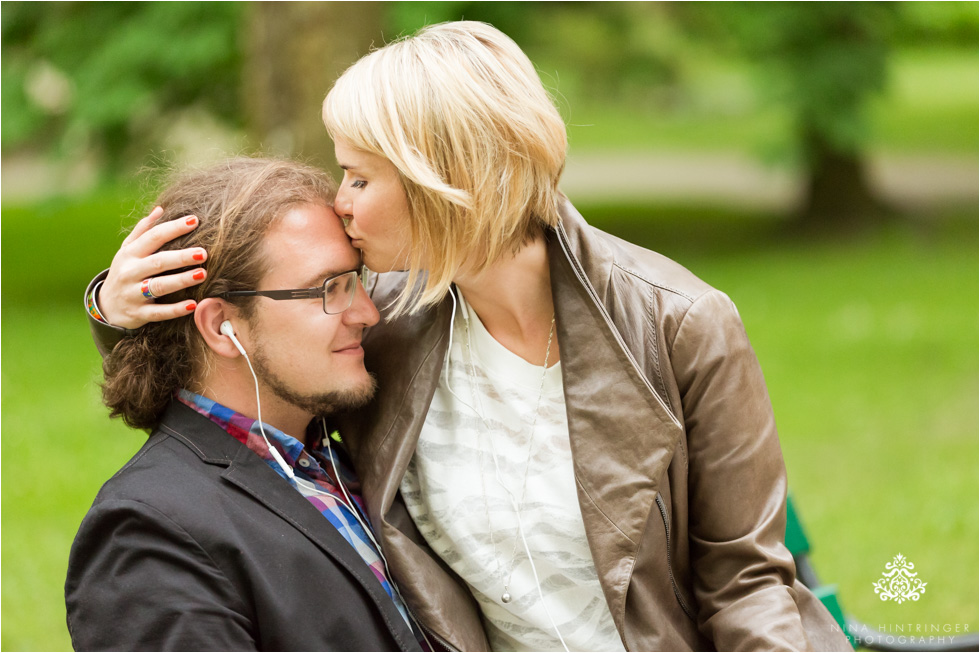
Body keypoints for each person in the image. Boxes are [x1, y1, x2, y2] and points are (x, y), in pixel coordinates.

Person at [86, 22, 852, 652]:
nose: (339, 202)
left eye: (358, 176)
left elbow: (747, 584)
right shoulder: (383, 323)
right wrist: (116, 312)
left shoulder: (680, 322)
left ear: (441, 182)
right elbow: (241, 383)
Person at [67, 157, 481, 651]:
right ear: (223, 326)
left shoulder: (352, 446)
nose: (368, 313)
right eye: (330, 288)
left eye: (358, 281)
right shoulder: (150, 533)